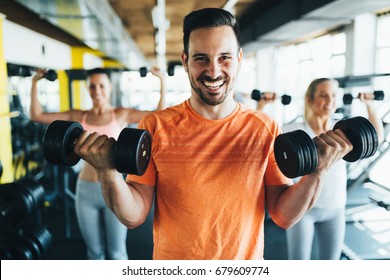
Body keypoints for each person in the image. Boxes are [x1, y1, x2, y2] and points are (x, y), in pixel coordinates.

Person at [72, 8, 353, 260]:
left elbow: (283, 216)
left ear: (239, 59)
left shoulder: (264, 127)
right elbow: (134, 216)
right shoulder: (155, 126)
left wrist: (317, 172)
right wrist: (107, 173)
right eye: (201, 59)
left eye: (225, 58)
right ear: (185, 60)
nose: (213, 70)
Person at [30, 66, 166, 260]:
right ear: (88, 89)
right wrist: (35, 83)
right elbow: (37, 116)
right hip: (85, 190)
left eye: (101, 85)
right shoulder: (80, 116)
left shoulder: (121, 114)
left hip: (116, 188)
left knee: (117, 252)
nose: (97, 91)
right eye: (92, 86)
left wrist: (162, 81)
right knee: (94, 253)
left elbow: (159, 114)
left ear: (109, 87)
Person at [281, 78, 384, 259]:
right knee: (298, 262)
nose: (329, 101)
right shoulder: (293, 130)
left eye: (333, 95)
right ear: (310, 99)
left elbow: (376, 139)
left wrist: (369, 106)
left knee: (331, 264)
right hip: (303, 210)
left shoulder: (343, 132)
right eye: (323, 95)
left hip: (336, 208)